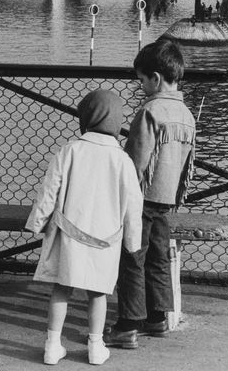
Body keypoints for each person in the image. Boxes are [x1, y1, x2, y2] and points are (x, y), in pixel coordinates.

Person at [25, 89, 143, 366]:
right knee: (97, 293)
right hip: (105, 240)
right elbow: (133, 206)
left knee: (61, 288)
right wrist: (133, 243)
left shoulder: (69, 151)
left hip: (69, 235)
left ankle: (52, 346)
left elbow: (49, 191)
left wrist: (37, 222)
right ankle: (95, 345)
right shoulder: (123, 160)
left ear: (86, 117)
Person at [104, 39, 196, 348]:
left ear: (155, 78)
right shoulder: (186, 115)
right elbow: (187, 165)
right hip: (167, 199)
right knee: (158, 258)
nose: (140, 85)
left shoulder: (150, 112)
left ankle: (128, 324)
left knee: (132, 257)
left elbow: (135, 162)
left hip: (142, 198)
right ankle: (157, 318)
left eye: (141, 80)